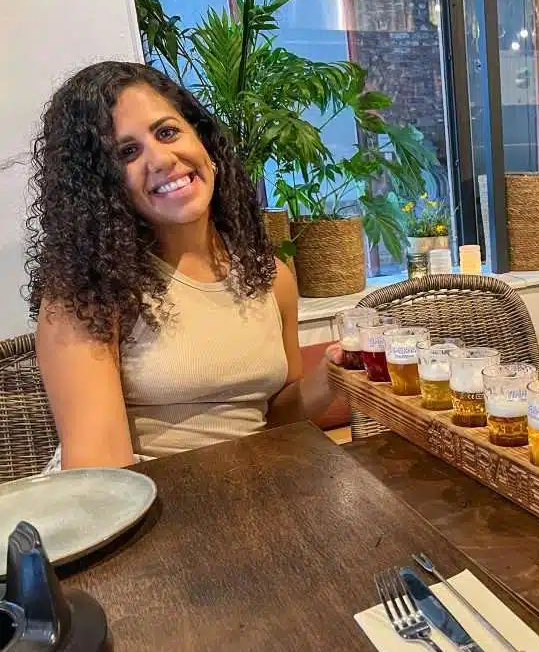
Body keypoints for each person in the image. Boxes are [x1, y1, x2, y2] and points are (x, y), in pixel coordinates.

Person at [25, 61, 341, 469]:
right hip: (148, 511)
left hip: (256, 495)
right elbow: (102, 477)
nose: (161, 159)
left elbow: (277, 417)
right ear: (100, 186)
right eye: (127, 152)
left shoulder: (271, 277)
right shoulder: (86, 297)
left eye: (167, 131)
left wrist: (334, 373)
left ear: (204, 142)